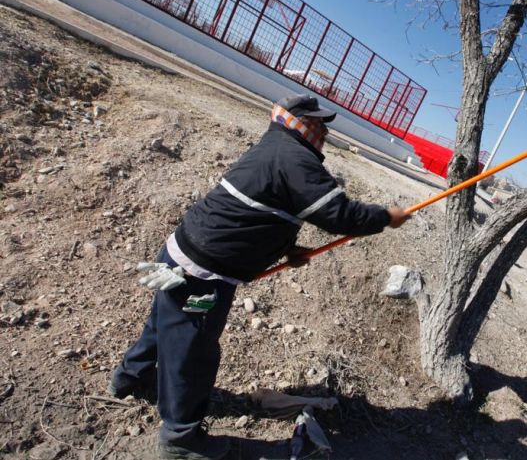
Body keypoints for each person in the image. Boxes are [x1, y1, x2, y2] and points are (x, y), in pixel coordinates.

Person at [109, 94, 410, 459]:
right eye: (317, 123)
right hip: (202, 274)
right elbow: (339, 213)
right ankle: (181, 440)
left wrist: (286, 249)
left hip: (182, 255)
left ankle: (132, 377)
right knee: (193, 352)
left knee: (163, 326)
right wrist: (386, 217)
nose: (323, 130)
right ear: (299, 122)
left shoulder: (277, 146)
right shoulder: (295, 157)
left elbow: (259, 207)